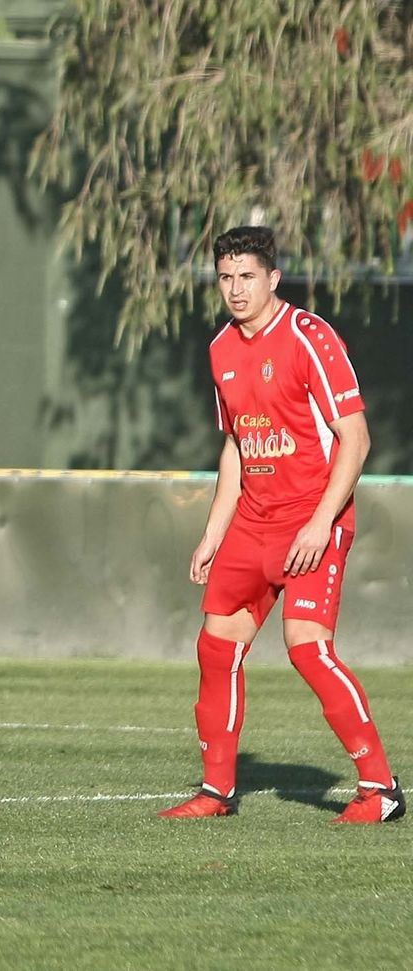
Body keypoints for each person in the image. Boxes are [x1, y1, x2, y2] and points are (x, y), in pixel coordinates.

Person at [158, 225, 402, 822]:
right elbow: (237, 446)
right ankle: (216, 793)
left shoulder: (309, 337)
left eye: (247, 277)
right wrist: (213, 533)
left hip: (311, 521)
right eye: (225, 278)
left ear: (273, 278)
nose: (236, 290)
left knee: (308, 651)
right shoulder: (221, 349)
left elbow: (356, 437)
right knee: (216, 649)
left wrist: (322, 523)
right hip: (251, 523)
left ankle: (382, 789)